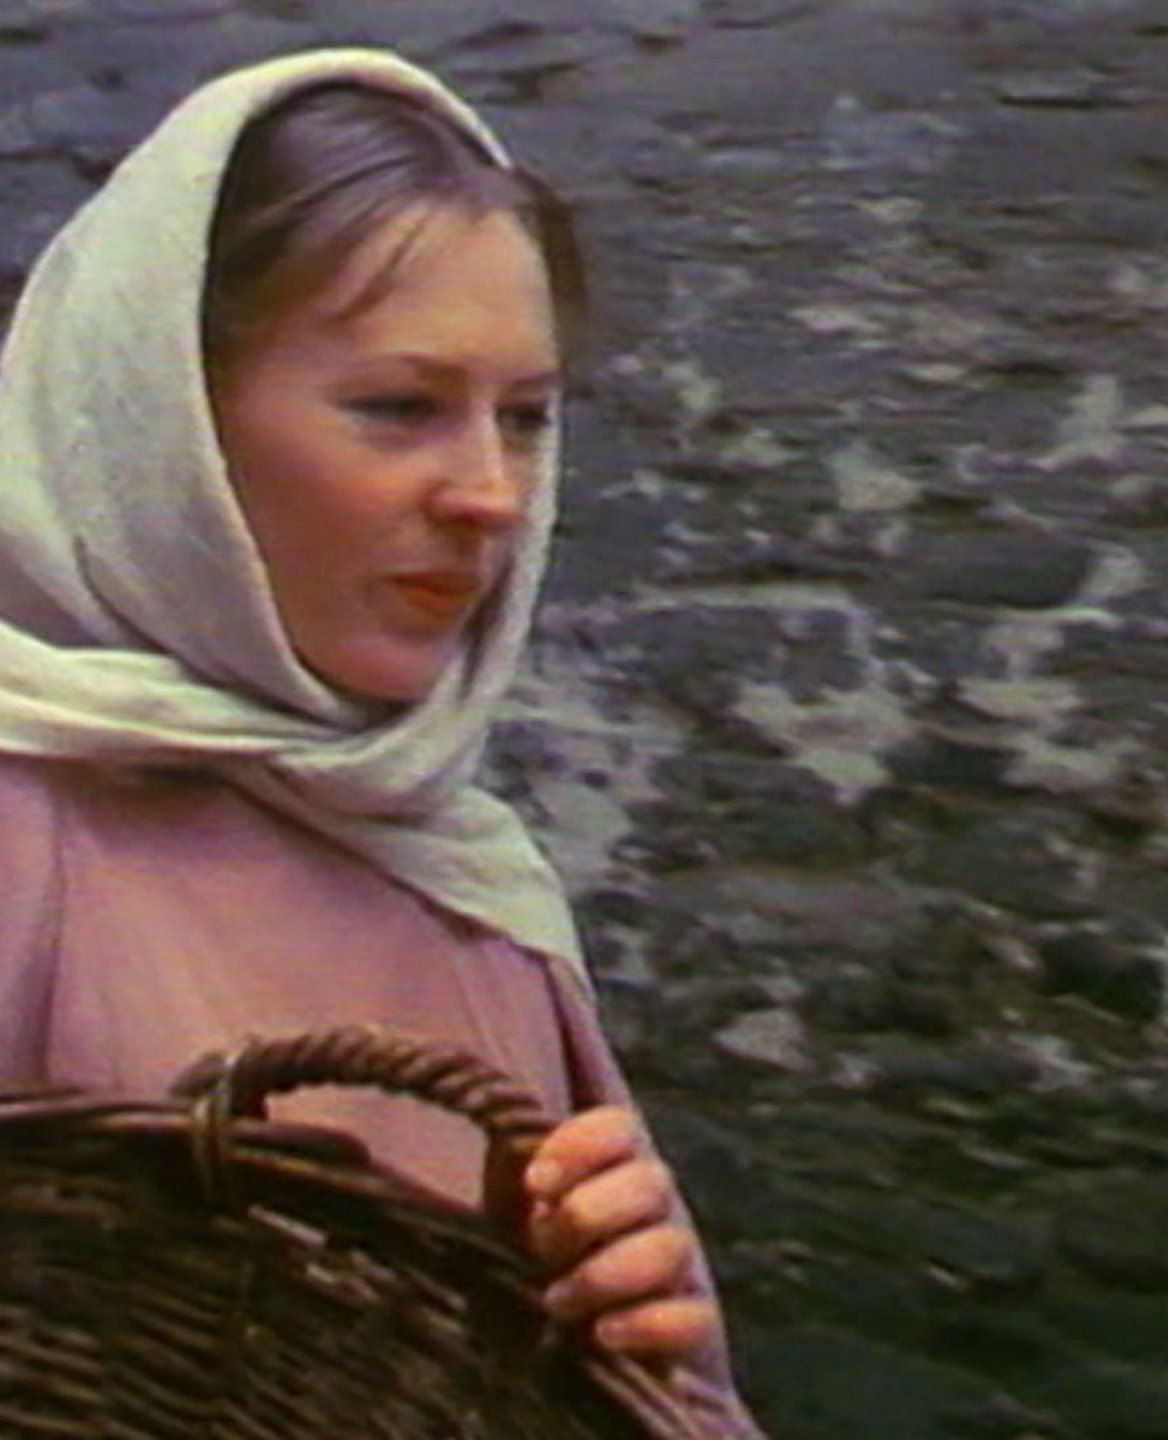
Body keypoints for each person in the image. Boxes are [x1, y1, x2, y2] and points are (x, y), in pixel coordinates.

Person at [0, 47, 762, 1437]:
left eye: (524, 419)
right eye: (401, 407)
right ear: (166, 424)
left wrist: (628, 1344)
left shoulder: (477, 901)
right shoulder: (28, 830)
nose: (492, 495)